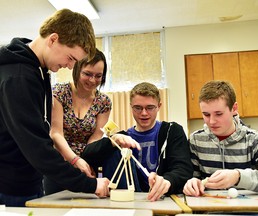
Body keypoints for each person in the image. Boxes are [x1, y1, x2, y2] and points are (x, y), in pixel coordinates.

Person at [0, 9, 110, 207]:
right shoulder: (18, 77)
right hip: (10, 186)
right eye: (70, 58)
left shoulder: (38, 70)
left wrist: (75, 162)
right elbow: (36, 146)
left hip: (28, 180)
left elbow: (43, 132)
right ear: (53, 39)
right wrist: (90, 185)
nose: (69, 66)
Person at [82, 82, 194, 201]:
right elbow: (86, 155)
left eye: (150, 108)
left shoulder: (171, 132)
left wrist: (167, 181)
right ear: (131, 107)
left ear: (159, 106)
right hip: (130, 201)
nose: (144, 113)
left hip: (162, 199)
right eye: (138, 108)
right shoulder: (122, 138)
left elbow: (183, 169)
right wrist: (112, 141)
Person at [183, 80, 258, 197]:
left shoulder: (253, 139)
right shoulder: (196, 140)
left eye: (219, 114)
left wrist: (239, 177)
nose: (211, 121)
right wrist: (191, 183)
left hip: (249, 212)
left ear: (234, 108)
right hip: (210, 210)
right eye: (206, 114)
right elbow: (191, 178)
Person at [44, 49, 112, 195]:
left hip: (86, 164)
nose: (93, 80)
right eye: (87, 74)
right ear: (76, 70)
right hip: (59, 163)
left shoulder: (104, 102)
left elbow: (96, 137)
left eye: (98, 76)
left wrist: (84, 161)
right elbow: (56, 133)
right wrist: (74, 160)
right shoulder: (59, 92)